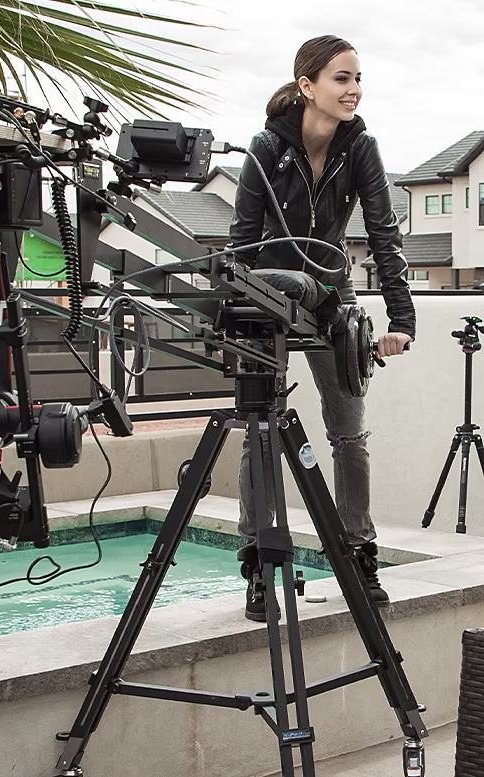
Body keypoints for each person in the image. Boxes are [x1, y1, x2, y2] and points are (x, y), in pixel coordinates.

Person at [229, 34, 415, 621]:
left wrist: (401, 319)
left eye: (358, 79)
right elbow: (241, 240)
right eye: (341, 78)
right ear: (307, 86)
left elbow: (385, 237)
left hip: (333, 301)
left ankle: (358, 552)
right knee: (261, 434)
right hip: (267, 299)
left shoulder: (361, 147)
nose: (354, 90)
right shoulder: (264, 147)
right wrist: (241, 314)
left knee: (349, 436)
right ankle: (260, 561)